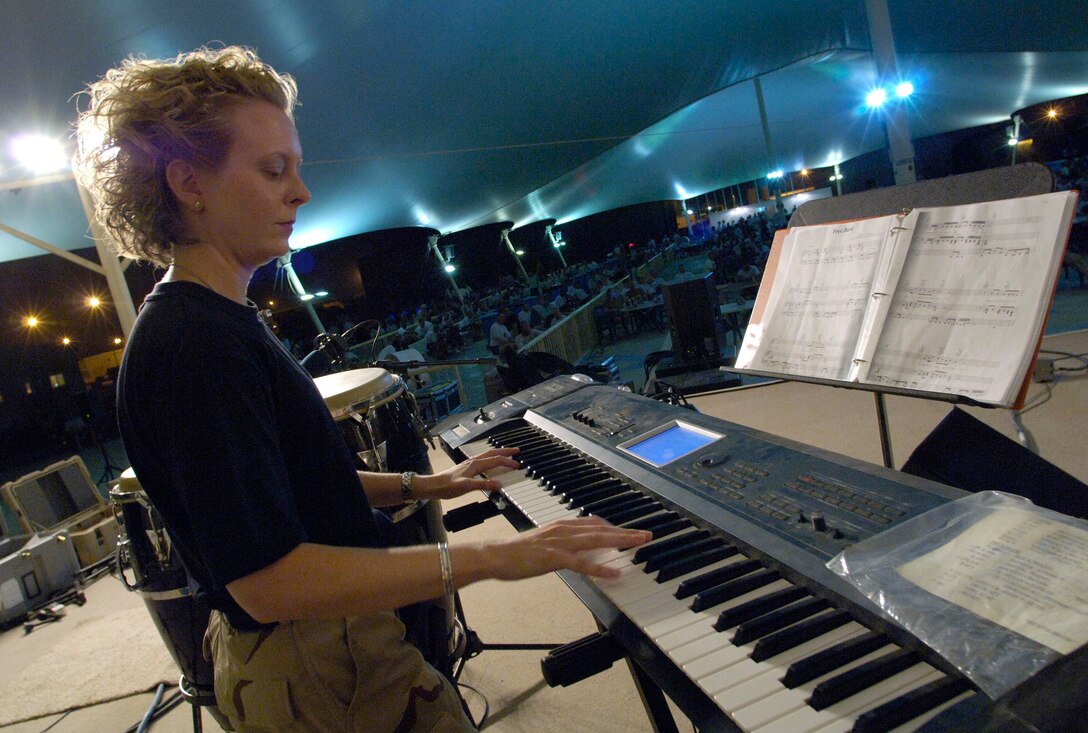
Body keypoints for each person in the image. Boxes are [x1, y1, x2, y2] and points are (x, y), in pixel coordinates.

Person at [76, 45, 650, 732]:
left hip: (329, 646)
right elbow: (267, 583)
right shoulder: (194, 345)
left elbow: (295, 485)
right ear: (189, 181)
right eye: (273, 170)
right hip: (316, 664)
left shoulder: (219, 319)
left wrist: (430, 484)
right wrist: (492, 558)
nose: (301, 192)